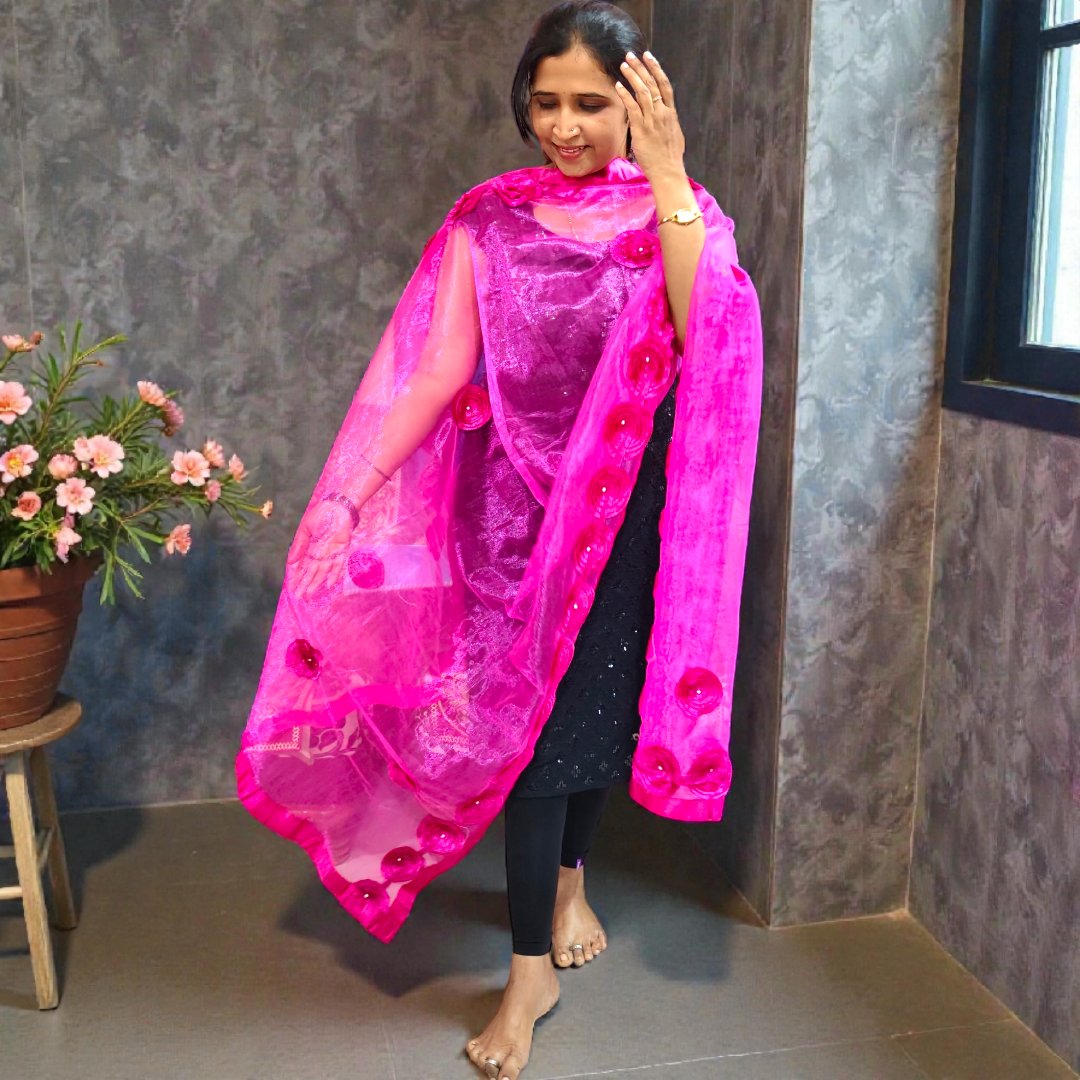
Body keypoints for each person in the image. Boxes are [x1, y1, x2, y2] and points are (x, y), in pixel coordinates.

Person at [235, 4, 762, 1080]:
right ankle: (530, 970)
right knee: (529, 736)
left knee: (591, 717)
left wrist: (668, 175)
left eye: (590, 104)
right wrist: (350, 495)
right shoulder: (490, 220)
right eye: (546, 101)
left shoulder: (676, 211)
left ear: (636, 104)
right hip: (509, 518)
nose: (564, 126)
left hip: (623, 514)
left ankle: (568, 883)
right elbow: (439, 371)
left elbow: (707, 322)